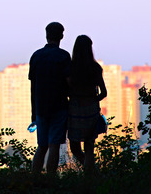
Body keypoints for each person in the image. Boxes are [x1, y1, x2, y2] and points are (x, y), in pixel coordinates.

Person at [29, 22, 71, 174]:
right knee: (54, 145)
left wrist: (33, 112)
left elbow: (33, 86)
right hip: (59, 107)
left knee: (42, 146)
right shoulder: (63, 56)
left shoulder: (36, 56)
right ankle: (51, 179)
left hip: (40, 107)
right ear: (61, 36)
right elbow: (69, 83)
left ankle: (34, 179)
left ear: (46, 35)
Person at [67, 35, 107, 172]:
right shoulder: (95, 68)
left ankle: (89, 170)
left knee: (74, 146)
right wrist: (92, 100)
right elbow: (103, 93)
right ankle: (91, 173)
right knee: (89, 145)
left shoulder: (70, 68)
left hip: (74, 110)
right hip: (91, 110)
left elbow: (66, 90)